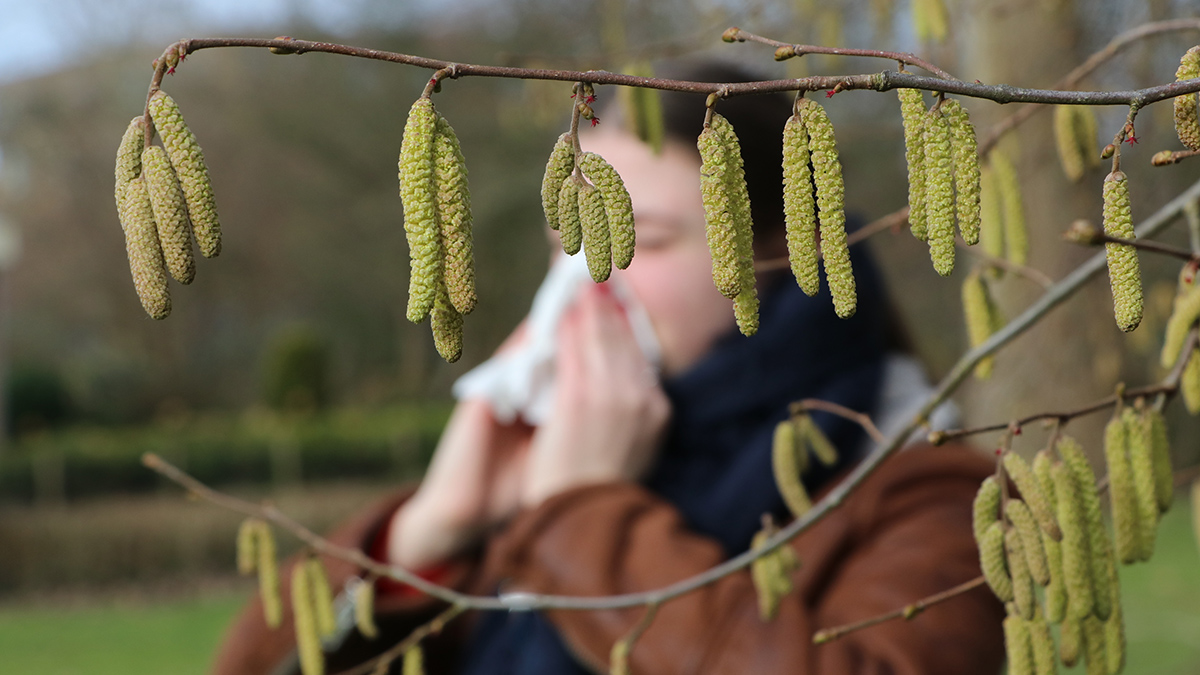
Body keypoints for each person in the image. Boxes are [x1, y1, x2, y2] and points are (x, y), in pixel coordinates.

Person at [213, 62, 1005, 675]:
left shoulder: (923, 498)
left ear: (782, 250)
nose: (588, 280)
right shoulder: (527, 473)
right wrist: (420, 540)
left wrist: (583, 517)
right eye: (567, 243)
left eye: (644, 239)